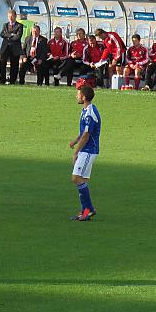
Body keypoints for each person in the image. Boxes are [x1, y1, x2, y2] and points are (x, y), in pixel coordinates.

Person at [69, 84, 100, 222]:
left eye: (78, 94)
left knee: (76, 178)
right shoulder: (86, 110)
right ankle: (86, 211)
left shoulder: (90, 113)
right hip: (85, 149)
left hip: (88, 150)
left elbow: (87, 135)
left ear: (84, 97)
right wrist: (75, 140)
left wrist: (76, 152)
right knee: (81, 181)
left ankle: (89, 209)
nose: (76, 96)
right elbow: (83, 132)